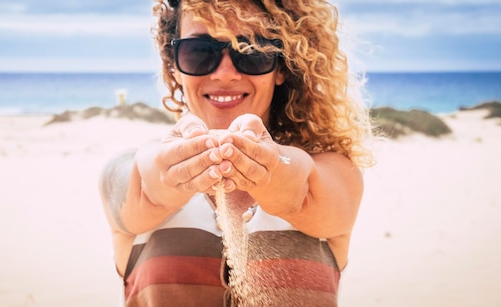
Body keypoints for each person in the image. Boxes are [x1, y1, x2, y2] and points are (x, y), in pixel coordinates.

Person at [99, 0, 374, 305]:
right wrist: (172, 170)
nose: (225, 73)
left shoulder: (336, 173)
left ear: (281, 67)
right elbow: (144, 186)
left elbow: (303, 189)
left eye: (252, 51)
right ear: (174, 66)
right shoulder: (126, 169)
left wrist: (270, 166)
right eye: (200, 51)